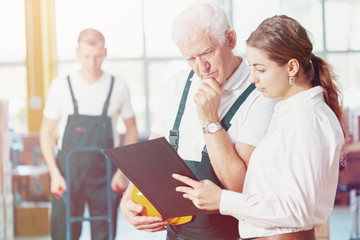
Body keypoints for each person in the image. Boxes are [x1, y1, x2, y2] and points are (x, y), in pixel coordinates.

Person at [173, 15, 346, 240]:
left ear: (292, 67)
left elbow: (297, 210)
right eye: (251, 68)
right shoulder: (288, 114)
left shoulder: (309, 121)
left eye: (261, 69)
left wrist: (223, 200)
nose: (253, 79)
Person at [120, 3, 276, 240]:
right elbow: (150, 158)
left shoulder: (260, 93)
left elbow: (240, 186)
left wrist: (209, 119)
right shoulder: (176, 84)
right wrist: (128, 200)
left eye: (207, 53)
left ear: (231, 40)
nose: (202, 69)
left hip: (232, 234)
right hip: (176, 232)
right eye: (190, 58)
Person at [39, 28, 138, 240]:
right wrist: (54, 173)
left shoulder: (118, 86)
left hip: (105, 176)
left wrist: (121, 173)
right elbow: (46, 132)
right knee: (63, 234)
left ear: (105, 52)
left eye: (98, 56)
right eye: (86, 56)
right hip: (66, 175)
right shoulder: (60, 86)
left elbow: (131, 129)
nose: (92, 62)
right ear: (77, 52)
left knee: (104, 235)